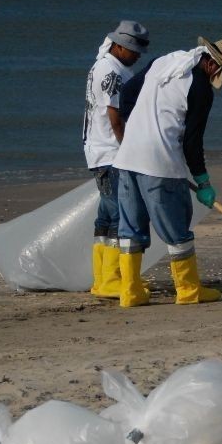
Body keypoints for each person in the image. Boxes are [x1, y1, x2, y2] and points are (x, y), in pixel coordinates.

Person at [111, 37, 222, 307]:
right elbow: (193, 142)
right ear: (214, 64)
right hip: (160, 165)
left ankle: (130, 292)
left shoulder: (164, 62)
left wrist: (137, 126)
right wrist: (203, 181)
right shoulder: (201, 89)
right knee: (177, 228)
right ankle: (188, 290)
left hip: (126, 158)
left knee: (131, 228)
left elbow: (127, 93)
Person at [82, 21, 150, 299]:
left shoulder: (103, 65)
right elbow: (114, 115)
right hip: (110, 152)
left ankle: (101, 279)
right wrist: (128, 148)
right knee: (120, 214)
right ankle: (112, 279)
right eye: (133, 50)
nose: (137, 56)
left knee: (106, 215)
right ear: (119, 46)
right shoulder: (112, 71)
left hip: (97, 150)